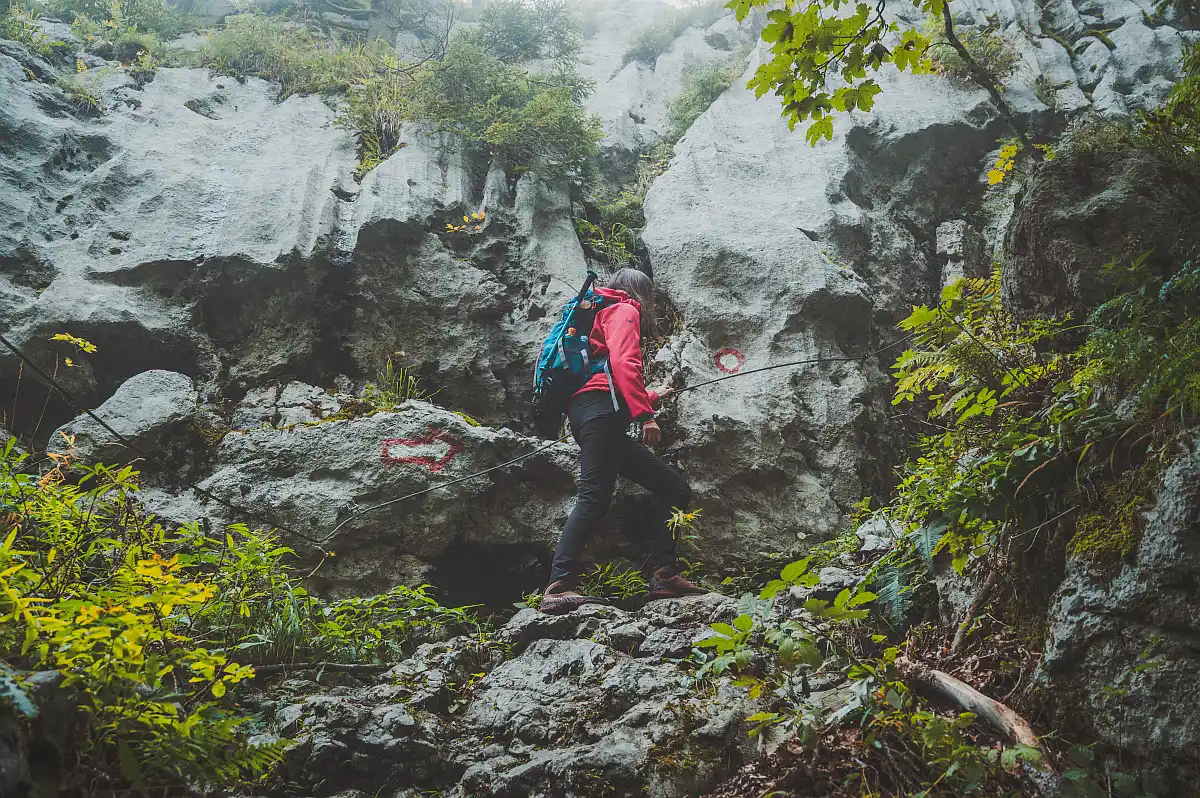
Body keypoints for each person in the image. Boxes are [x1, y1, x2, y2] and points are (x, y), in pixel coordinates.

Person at [539, 268, 705, 614]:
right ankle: (557, 585)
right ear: (640, 292)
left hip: (591, 413)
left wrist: (651, 397)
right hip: (601, 413)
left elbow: (607, 375)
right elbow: (623, 362)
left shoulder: (598, 312)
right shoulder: (623, 309)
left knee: (673, 488)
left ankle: (663, 575)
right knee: (593, 498)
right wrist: (646, 416)